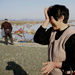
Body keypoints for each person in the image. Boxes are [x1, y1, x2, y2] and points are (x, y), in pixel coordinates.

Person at [34, 5, 75, 75]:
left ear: (61, 18)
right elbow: (38, 39)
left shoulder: (71, 36)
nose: (50, 22)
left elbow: (73, 63)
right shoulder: (52, 31)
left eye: (51, 19)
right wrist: (46, 20)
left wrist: (54, 64)